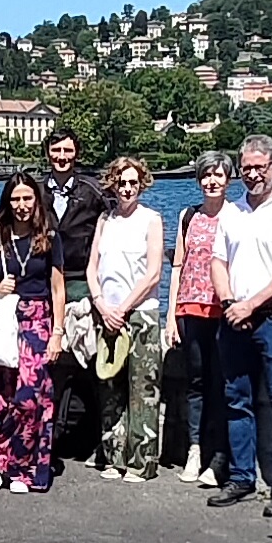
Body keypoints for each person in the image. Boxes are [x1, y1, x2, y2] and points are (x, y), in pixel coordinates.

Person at [208, 134, 272, 516]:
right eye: (247, 168)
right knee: (237, 401)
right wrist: (229, 303)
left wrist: (251, 303)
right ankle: (241, 478)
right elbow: (217, 262)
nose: (252, 174)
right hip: (235, 319)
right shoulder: (232, 212)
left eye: (259, 167)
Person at [0, 172, 66, 493]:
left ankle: (24, 468)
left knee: (31, 397)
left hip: (38, 319)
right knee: (0, 396)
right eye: (16, 199)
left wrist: (57, 333)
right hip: (5, 319)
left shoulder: (49, 236)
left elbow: (58, 288)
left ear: (36, 201)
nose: (22, 205)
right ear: (7, 202)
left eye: (27, 198)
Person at [86, 156, 165, 482]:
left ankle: (141, 463)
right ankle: (114, 457)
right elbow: (93, 267)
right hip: (108, 315)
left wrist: (124, 309)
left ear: (141, 184)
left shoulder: (151, 220)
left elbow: (153, 273)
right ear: (112, 184)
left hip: (140, 316)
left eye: (133, 182)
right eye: (121, 182)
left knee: (142, 391)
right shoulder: (106, 219)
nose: (127, 188)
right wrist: (102, 304)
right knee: (110, 388)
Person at [166, 150, 236, 486]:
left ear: (228, 180)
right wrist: (171, 316)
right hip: (191, 309)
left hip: (223, 310)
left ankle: (218, 457)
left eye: (218, 176)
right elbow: (178, 266)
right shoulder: (188, 215)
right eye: (206, 176)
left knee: (221, 385)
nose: (212, 181)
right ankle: (194, 451)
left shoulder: (236, 217)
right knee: (195, 383)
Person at [42, 127, 111, 460]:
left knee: (88, 361)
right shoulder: (37, 191)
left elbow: (113, 231)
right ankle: (47, 436)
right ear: (48, 154)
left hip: (82, 281)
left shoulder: (92, 192)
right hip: (46, 282)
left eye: (68, 151)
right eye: (56, 151)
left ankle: (94, 437)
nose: (62, 157)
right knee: (49, 363)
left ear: (76, 153)